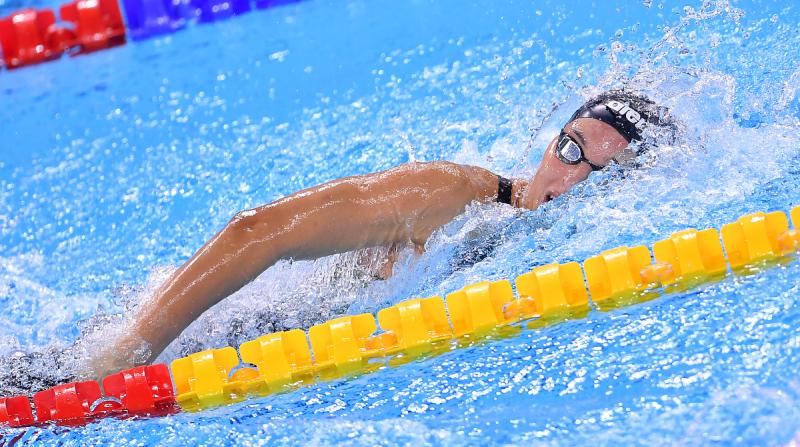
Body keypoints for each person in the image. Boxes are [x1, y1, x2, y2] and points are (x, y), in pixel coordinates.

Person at [89, 89, 675, 377]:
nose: (567, 181)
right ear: (552, 138)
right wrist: (126, 353)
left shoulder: (561, 247)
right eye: (569, 150)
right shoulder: (449, 192)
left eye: (598, 174)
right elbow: (256, 230)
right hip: (222, 345)